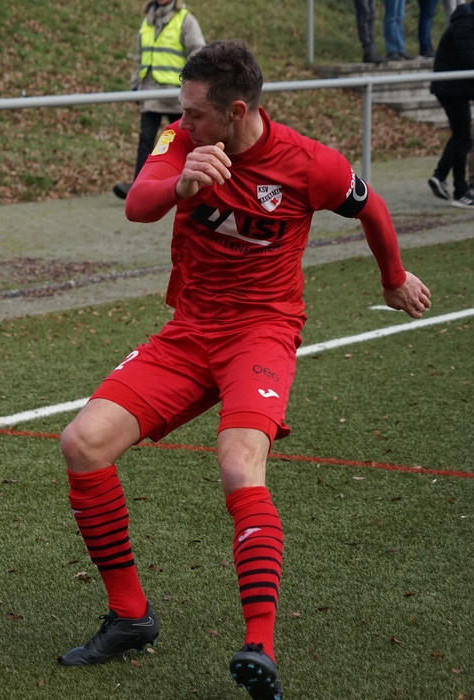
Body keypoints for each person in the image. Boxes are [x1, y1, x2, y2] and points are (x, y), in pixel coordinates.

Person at [57, 40, 431, 700]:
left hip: (261, 334)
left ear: (236, 111)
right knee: (82, 444)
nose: (182, 121)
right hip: (189, 332)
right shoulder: (183, 142)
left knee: (238, 465)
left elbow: (370, 206)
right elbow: (138, 204)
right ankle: (130, 614)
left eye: (194, 112)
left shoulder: (309, 163)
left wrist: (394, 276)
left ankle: (260, 644)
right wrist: (181, 183)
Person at [112, 0, 205, 200]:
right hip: (150, 92)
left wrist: (189, 86)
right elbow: (140, 58)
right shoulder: (147, 22)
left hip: (176, 95)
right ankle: (139, 186)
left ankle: (197, 181)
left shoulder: (186, 20)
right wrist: (135, 85)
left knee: (188, 138)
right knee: (146, 138)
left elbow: (198, 52)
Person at [427, 0, 474, 208]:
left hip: (456, 87)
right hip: (450, 88)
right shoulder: (465, 22)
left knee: (460, 134)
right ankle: (460, 191)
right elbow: (469, 58)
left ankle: (439, 176)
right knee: (463, 136)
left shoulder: (467, 19)